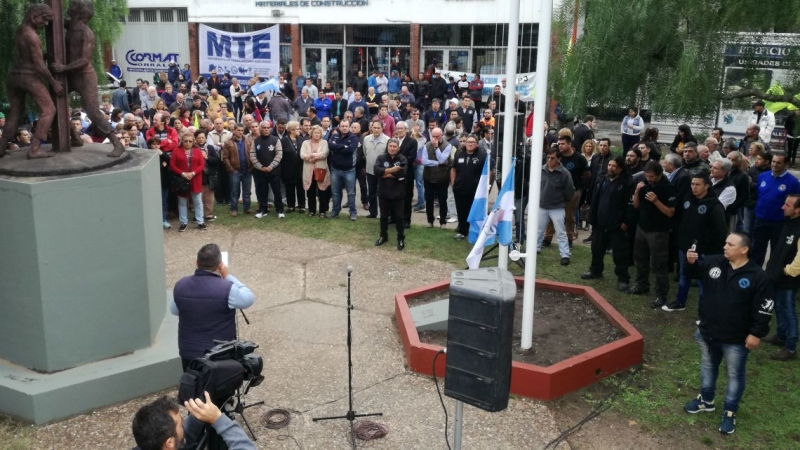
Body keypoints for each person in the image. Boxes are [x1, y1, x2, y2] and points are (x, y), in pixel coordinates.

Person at [682, 233, 772, 435]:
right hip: (708, 331)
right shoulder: (715, 262)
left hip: (736, 339)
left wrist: (756, 333)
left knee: (735, 375)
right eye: (725, 243)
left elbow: (764, 308)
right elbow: (693, 273)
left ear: (744, 249)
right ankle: (706, 400)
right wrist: (690, 263)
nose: (725, 247)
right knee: (707, 365)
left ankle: (730, 411)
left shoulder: (757, 276)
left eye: (730, 244)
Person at [169, 243, 254, 370]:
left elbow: (174, 310)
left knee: (195, 387)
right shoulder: (227, 288)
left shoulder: (181, 285)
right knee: (220, 388)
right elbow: (248, 298)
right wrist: (227, 276)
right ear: (220, 265)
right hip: (219, 353)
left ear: (196, 263)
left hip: (189, 352)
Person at [662, 174, 728, 312]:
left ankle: (703, 312)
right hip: (685, 247)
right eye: (692, 184)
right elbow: (678, 218)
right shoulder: (687, 199)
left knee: (703, 280)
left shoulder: (714, 205)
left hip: (704, 250)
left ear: (707, 186)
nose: (694, 187)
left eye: (698, 184)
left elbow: (721, 230)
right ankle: (680, 302)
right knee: (683, 275)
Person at [630, 161, 679, 308]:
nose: (648, 179)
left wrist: (656, 201)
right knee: (640, 259)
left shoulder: (668, 188)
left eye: (651, 176)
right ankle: (641, 284)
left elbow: (670, 212)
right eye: (646, 176)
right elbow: (636, 205)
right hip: (642, 228)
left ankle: (661, 294)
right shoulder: (645, 184)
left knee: (658, 264)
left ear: (659, 175)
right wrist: (637, 192)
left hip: (658, 232)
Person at [132, 393, 256, 450]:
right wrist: (218, 420)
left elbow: (183, 438)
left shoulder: (150, 443)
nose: (184, 424)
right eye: (181, 424)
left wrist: (199, 411)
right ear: (169, 442)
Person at [581, 156, 633, 290]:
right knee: (597, 249)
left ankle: (623, 278)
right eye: (609, 165)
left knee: (620, 253)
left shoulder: (627, 182)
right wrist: (593, 218)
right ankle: (595, 271)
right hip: (599, 222)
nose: (610, 168)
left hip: (617, 225)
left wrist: (626, 222)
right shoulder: (601, 179)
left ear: (620, 168)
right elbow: (595, 198)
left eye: (614, 166)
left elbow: (630, 205)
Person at [763, 194, 800, 361]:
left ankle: (791, 348)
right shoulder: (788, 223)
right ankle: (780, 336)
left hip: (788, 279)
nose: (783, 207)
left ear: (797, 210)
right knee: (778, 306)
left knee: (788, 310)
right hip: (777, 276)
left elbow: (798, 262)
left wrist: (785, 271)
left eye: (787, 205)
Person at [752, 152, 800, 266]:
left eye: (779, 162)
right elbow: (759, 195)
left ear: (785, 164)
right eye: (773, 161)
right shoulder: (762, 176)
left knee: (776, 251)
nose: (775, 164)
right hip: (761, 220)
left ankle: (771, 275)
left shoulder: (793, 182)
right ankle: (755, 275)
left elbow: (796, 202)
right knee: (757, 249)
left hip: (779, 223)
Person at [538, 147, 575, 266]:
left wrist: (562, 200)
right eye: (548, 158)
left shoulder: (564, 173)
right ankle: (535, 248)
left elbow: (570, 191)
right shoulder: (541, 169)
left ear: (559, 159)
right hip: (542, 205)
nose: (549, 160)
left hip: (557, 207)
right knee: (538, 230)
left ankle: (565, 254)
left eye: (552, 158)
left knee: (560, 232)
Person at [451, 134, 487, 240]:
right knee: (462, 211)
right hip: (460, 188)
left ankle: (476, 232)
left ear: (477, 144)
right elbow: (453, 169)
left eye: (472, 142)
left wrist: (485, 186)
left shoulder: (483, 155)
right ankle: (462, 231)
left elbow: (488, 172)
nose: (470, 144)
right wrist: (453, 182)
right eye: (468, 142)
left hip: (475, 190)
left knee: (475, 211)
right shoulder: (459, 153)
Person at [374, 138, 408, 250]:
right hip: (383, 192)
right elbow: (376, 171)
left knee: (399, 217)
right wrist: (393, 170)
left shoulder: (402, 158)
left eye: (394, 146)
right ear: (387, 147)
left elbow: (402, 174)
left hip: (398, 194)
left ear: (398, 148)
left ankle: (400, 238)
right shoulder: (381, 157)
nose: (392, 148)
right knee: (383, 217)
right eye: (390, 146)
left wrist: (385, 172)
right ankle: (383, 236)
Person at [169, 132, 206, 232]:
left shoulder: (197, 150)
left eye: (190, 141)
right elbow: (172, 165)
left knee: (197, 201)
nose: (188, 143)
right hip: (182, 180)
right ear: (182, 141)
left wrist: (193, 173)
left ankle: (200, 221)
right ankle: (183, 222)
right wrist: (183, 174)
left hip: (195, 179)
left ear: (193, 141)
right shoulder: (176, 151)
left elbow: (201, 165)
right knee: (182, 202)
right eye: (186, 141)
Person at [327, 120, 361, 220]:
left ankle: (353, 212)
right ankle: (335, 211)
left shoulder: (354, 137)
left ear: (349, 127)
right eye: (342, 126)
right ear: (339, 127)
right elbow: (330, 146)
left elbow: (350, 150)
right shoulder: (334, 136)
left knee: (351, 193)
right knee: (336, 192)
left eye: (346, 126)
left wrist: (337, 148)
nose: (344, 128)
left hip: (349, 170)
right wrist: (343, 147)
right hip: (335, 169)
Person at [250, 121, 284, 219]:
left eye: (267, 128)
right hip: (260, 171)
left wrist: (270, 166)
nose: (265, 129)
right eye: (263, 128)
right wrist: (261, 167)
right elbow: (252, 155)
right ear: (260, 129)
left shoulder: (275, 140)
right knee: (262, 192)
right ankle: (263, 210)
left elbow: (279, 154)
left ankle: (280, 210)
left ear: (270, 128)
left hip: (274, 171)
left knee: (277, 191)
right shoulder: (255, 141)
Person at [422, 127, 453, 228]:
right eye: (433, 136)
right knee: (429, 200)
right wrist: (437, 163)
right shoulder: (427, 145)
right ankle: (430, 221)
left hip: (442, 178)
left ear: (442, 135)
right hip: (429, 177)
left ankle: (443, 222)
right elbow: (424, 161)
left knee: (442, 201)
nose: (435, 139)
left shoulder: (448, 145)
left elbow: (442, 160)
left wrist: (436, 148)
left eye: (437, 136)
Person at [222, 124, 254, 217]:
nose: (240, 132)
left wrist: (251, 167)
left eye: (242, 130)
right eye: (238, 130)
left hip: (247, 170)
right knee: (234, 191)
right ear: (234, 131)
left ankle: (247, 208)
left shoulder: (248, 141)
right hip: (235, 171)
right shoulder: (228, 143)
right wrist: (231, 169)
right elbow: (225, 157)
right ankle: (234, 209)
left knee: (247, 191)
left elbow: (252, 154)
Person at [301, 125, 331, 218]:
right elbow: (302, 155)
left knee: (322, 192)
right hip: (309, 171)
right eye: (315, 133)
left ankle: (322, 211)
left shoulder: (324, 142)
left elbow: (324, 154)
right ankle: (312, 210)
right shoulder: (305, 142)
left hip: (321, 170)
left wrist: (312, 155)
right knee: (310, 192)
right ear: (311, 133)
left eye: (319, 133)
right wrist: (311, 158)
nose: (317, 134)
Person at [195, 129, 221, 223]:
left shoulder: (210, 148)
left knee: (209, 197)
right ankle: (199, 214)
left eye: (203, 137)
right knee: (198, 197)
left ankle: (208, 214)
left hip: (209, 175)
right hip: (198, 175)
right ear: (196, 139)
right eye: (199, 138)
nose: (201, 139)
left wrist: (207, 157)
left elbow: (217, 160)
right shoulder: (193, 148)